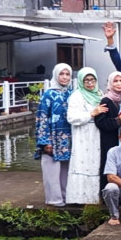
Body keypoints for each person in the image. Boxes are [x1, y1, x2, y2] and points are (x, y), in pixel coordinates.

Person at [66, 67, 107, 204]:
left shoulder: (99, 94)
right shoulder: (77, 96)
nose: (90, 83)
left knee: (95, 163)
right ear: (81, 81)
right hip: (82, 134)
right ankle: (79, 198)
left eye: (92, 80)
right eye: (86, 80)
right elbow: (71, 118)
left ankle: (94, 198)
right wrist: (91, 113)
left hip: (97, 134)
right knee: (82, 162)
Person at [35, 63, 73, 207]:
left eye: (67, 74)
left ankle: (66, 197)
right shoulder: (48, 94)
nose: (64, 77)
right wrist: (45, 141)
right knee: (52, 170)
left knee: (65, 170)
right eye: (61, 74)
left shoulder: (71, 94)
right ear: (56, 75)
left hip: (67, 138)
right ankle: (54, 199)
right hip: (52, 138)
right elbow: (42, 118)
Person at [95, 72, 121, 189]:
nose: (119, 84)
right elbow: (100, 122)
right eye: (115, 81)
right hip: (110, 140)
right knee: (110, 165)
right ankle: (107, 192)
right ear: (110, 83)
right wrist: (117, 121)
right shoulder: (106, 100)